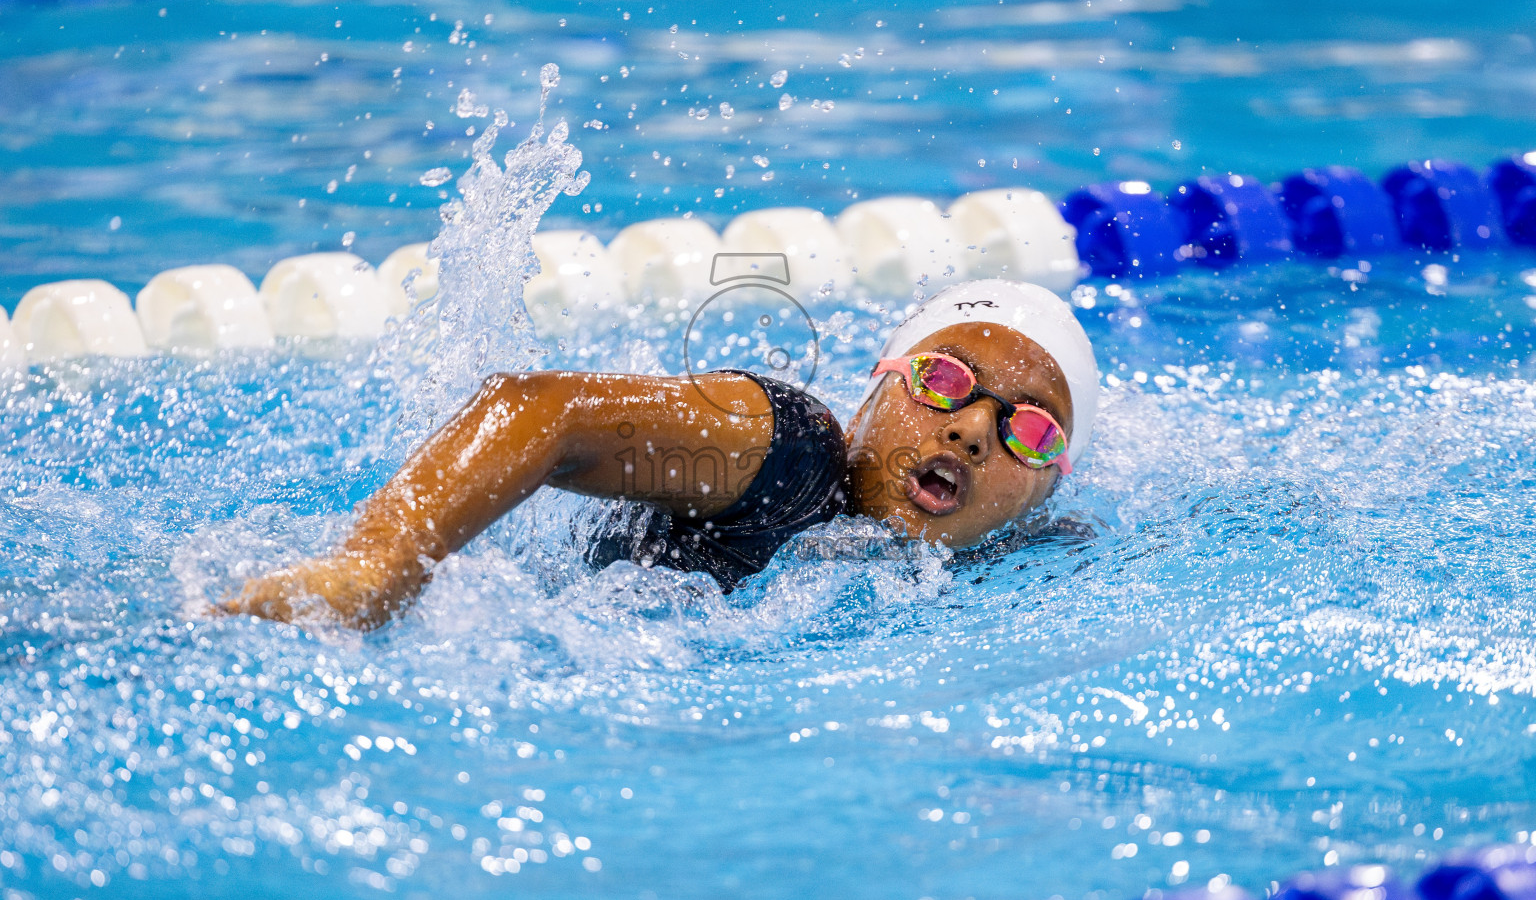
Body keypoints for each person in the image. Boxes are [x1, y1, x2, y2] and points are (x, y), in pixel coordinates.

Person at [221, 279, 1099, 629]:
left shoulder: (1017, 564)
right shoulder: (786, 448)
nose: (976, 429)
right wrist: (377, 565)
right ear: (873, 390)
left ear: (1043, 492)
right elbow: (539, 409)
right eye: (943, 379)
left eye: (1030, 429)